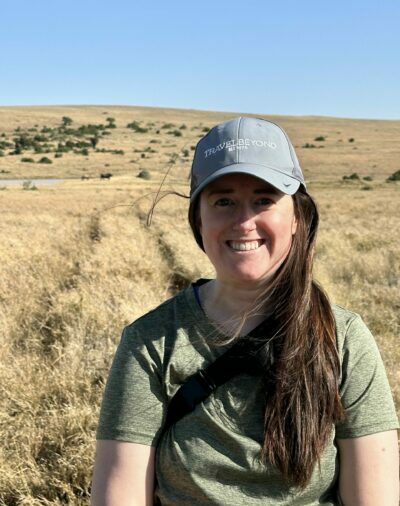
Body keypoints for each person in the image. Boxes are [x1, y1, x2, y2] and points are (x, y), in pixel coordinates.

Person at [91, 117, 399, 505]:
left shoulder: (345, 338)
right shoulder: (150, 342)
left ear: (297, 218)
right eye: (223, 201)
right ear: (198, 220)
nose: (244, 221)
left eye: (264, 199)